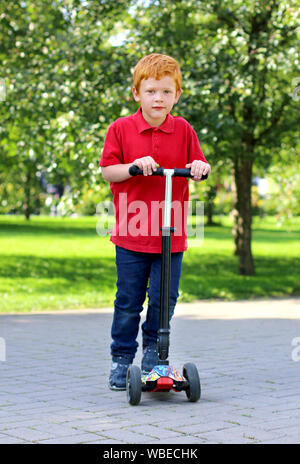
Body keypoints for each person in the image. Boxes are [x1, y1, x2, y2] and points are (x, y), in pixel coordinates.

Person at [99, 53, 211, 390]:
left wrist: (200, 168)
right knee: (129, 300)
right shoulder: (121, 129)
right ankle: (121, 360)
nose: (158, 98)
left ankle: (153, 354)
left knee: (166, 299)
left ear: (176, 94)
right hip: (132, 234)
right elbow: (108, 170)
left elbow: (198, 162)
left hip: (170, 234)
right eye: (150, 91)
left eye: (165, 91)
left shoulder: (184, 129)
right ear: (136, 93)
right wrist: (133, 166)